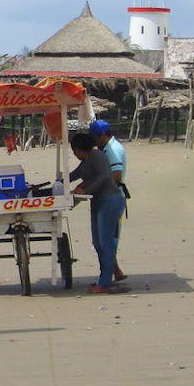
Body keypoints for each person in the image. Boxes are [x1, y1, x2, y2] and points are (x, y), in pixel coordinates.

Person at [69, 133, 127, 294]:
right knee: (97, 242)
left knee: (105, 243)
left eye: (74, 151)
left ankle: (105, 282)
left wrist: (84, 190)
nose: (75, 154)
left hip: (110, 201)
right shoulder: (86, 161)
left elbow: (104, 177)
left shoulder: (97, 156)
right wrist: (59, 182)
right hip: (97, 201)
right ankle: (105, 277)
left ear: (79, 149)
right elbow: (75, 174)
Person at [89, 119, 128, 282]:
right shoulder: (108, 147)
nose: (95, 142)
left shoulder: (112, 150)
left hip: (112, 197)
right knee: (107, 238)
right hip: (110, 196)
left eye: (96, 138)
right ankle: (116, 270)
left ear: (103, 135)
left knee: (107, 240)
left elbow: (116, 174)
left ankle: (106, 280)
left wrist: (96, 182)